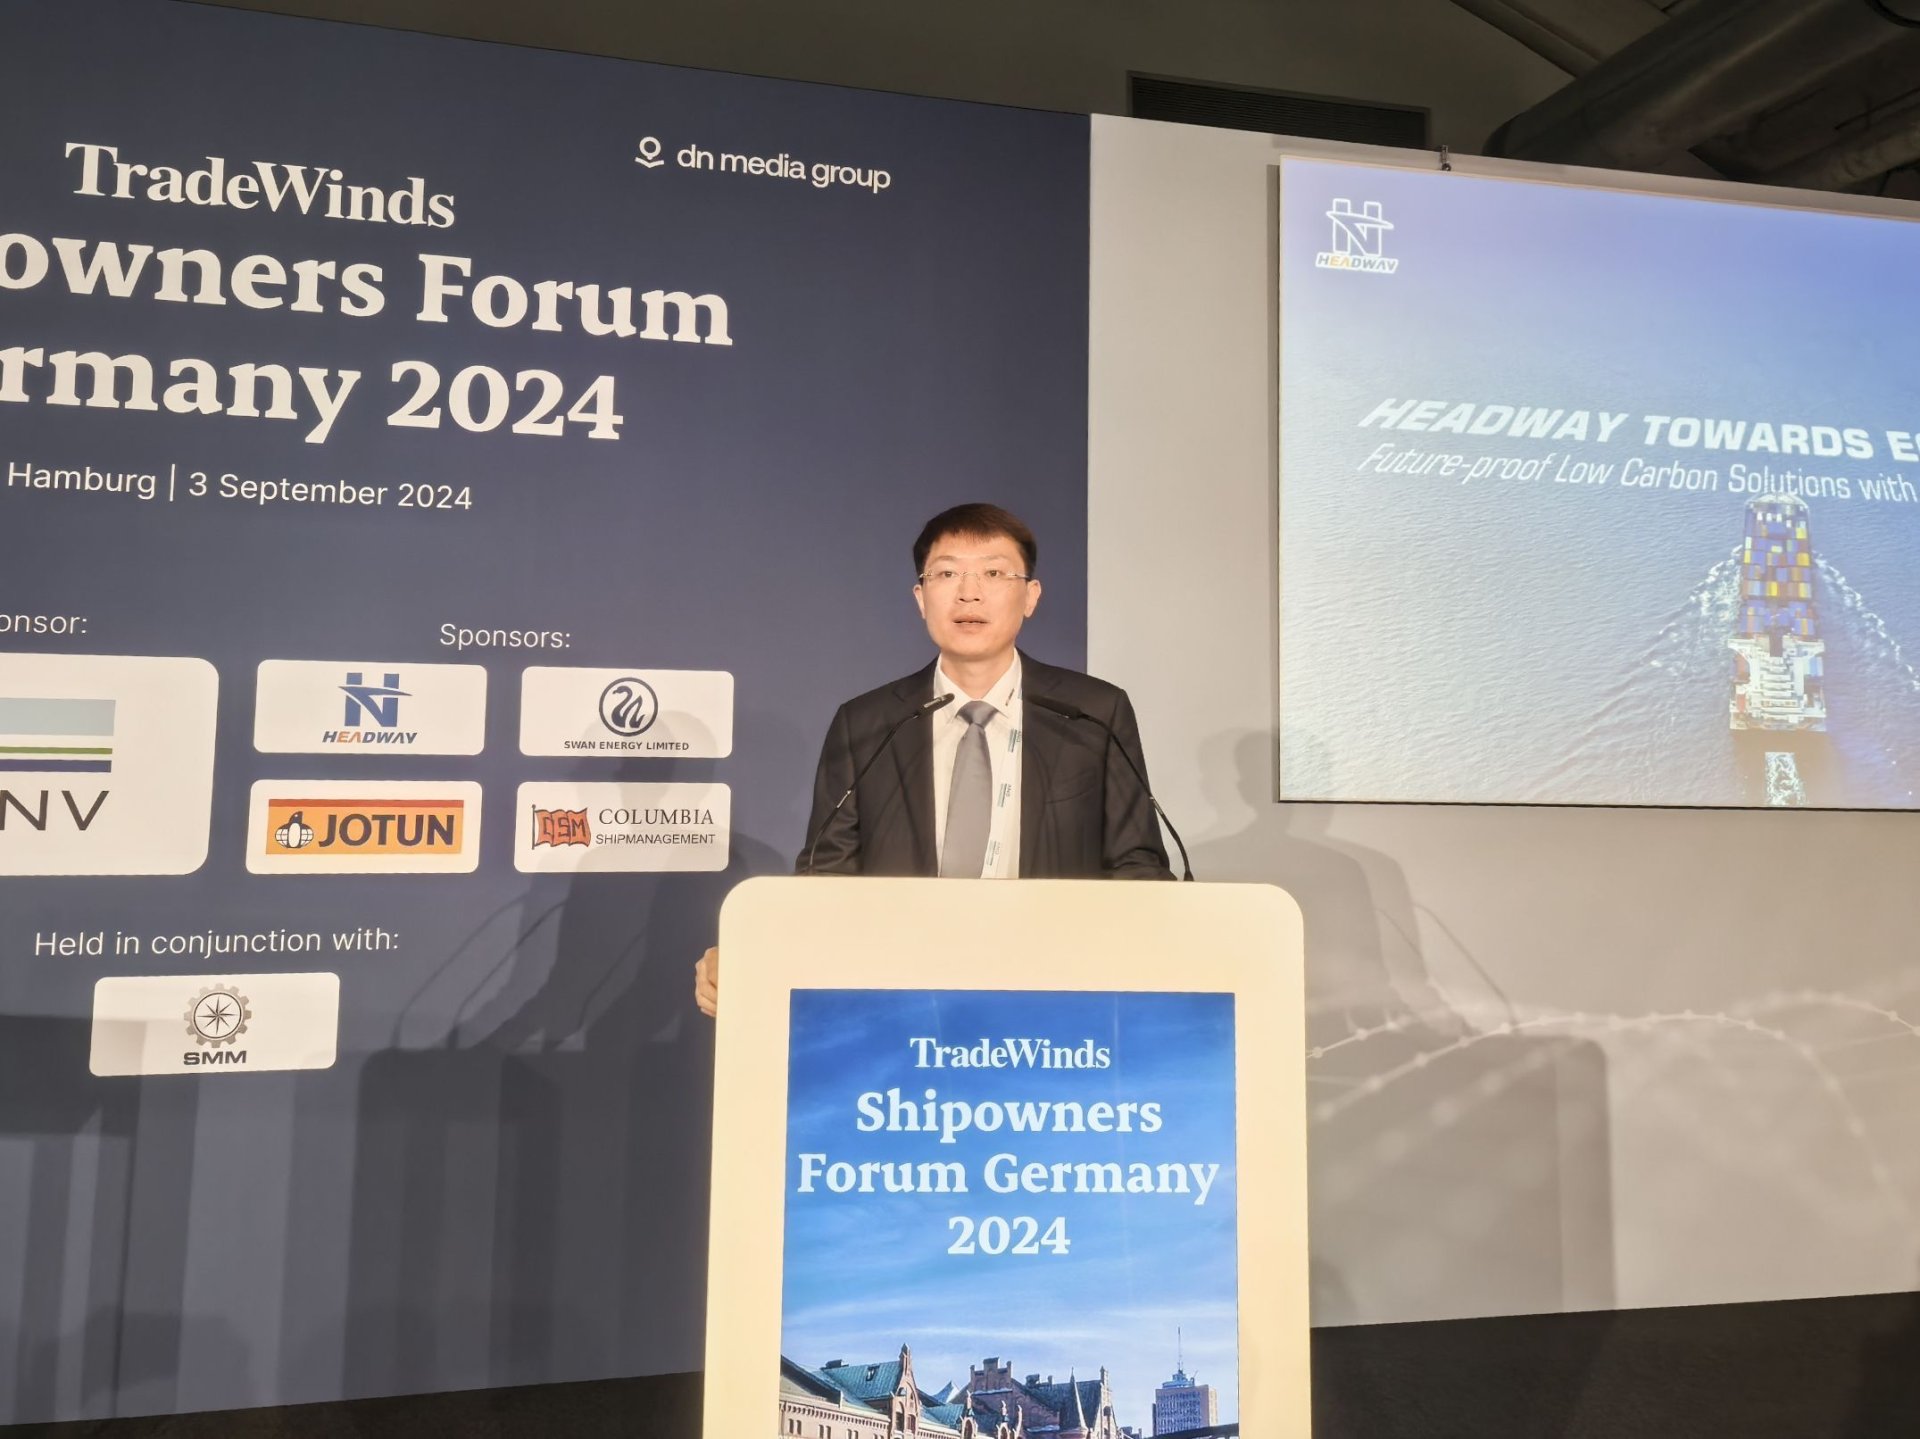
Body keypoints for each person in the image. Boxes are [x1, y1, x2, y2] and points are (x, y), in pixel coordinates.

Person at [694, 502, 1170, 1015]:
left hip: (1055, 993)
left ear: (1030, 596)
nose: (969, 592)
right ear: (921, 598)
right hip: (903, 997)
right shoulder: (869, 722)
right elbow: (826, 877)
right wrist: (757, 953)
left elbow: (1137, 867)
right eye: (947, 574)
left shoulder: (1093, 712)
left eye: (993, 573)